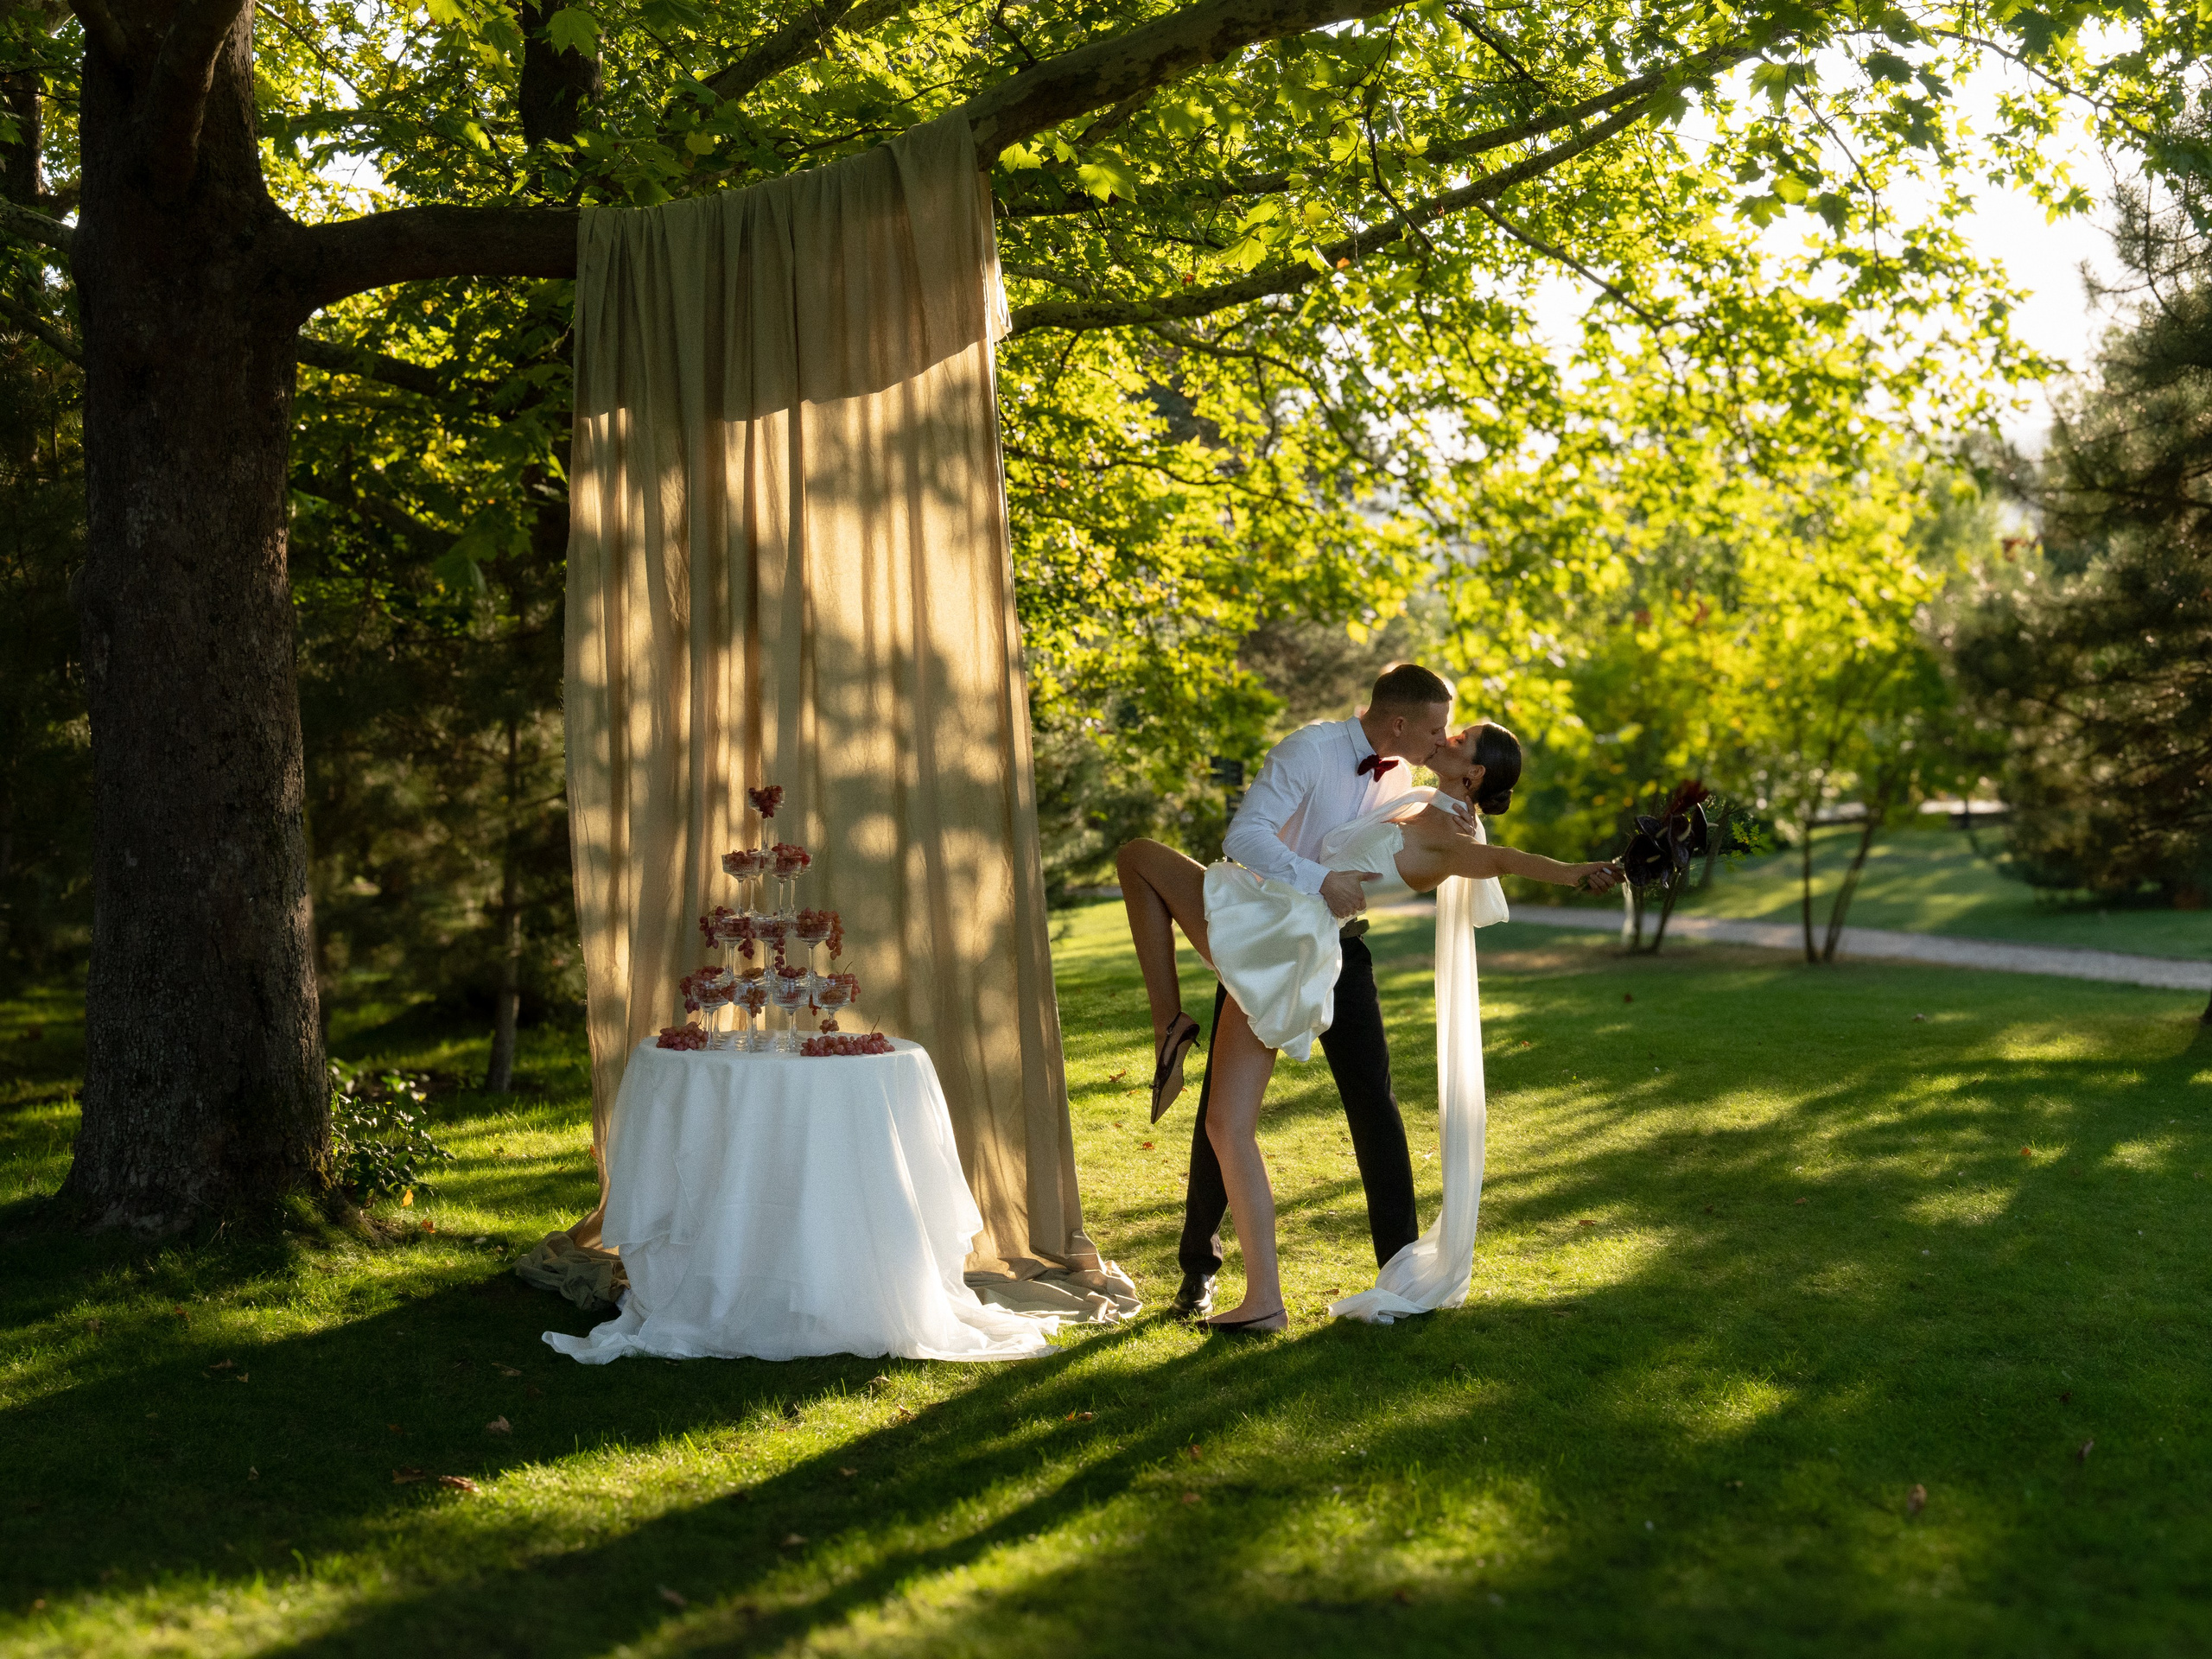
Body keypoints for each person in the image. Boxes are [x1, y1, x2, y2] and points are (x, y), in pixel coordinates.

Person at [1116, 704, 1621, 1332]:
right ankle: (1218, 1275)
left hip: (1299, 943)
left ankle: (1379, 1270)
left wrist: (1573, 871)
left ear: (1474, 779)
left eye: (1461, 740)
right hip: (1287, 928)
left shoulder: (1451, 837)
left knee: (1327, 1108)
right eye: (1447, 728)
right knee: (1222, 1119)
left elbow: (1505, 860)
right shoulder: (1402, 788)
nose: (1448, 736)